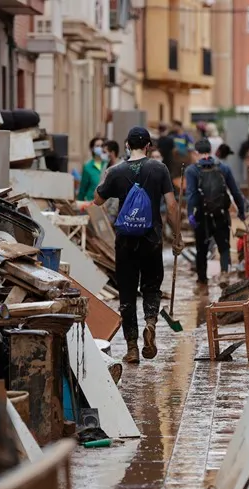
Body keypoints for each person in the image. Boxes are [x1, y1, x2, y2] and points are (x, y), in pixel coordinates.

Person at [94, 127, 182, 364]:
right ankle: (151, 324)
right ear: (148, 146)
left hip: (125, 242)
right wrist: (177, 235)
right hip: (152, 240)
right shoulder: (159, 169)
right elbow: (172, 206)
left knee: (127, 294)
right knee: (152, 286)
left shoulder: (116, 171)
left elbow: (97, 199)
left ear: (126, 145)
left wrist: (107, 178)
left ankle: (132, 348)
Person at [186, 138, 247, 291]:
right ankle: (225, 274)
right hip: (221, 214)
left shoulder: (192, 170)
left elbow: (192, 195)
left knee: (202, 248)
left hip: (202, 215)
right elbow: (235, 191)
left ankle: (202, 282)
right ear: (211, 151)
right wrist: (241, 210)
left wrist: (190, 215)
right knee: (224, 246)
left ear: (196, 153)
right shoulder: (223, 168)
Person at [77, 137, 106, 205]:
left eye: (102, 146)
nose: (100, 148)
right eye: (97, 146)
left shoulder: (107, 164)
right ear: (92, 148)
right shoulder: (87, 167)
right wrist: (79, 203)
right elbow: (83, 188)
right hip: (90, 202)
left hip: (104, 203)